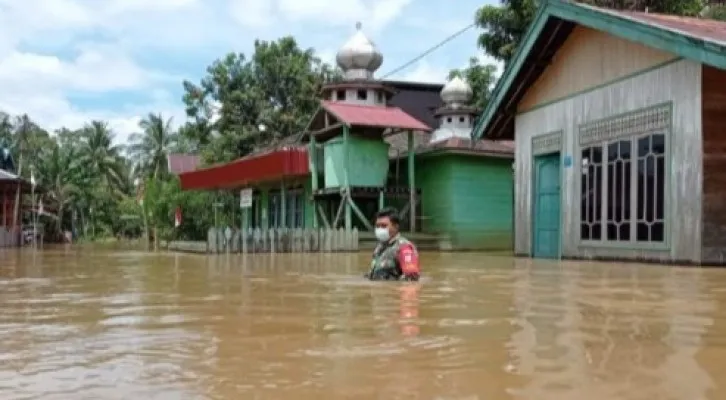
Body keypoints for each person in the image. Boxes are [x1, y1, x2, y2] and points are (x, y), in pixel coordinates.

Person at [365, 207, 421, 281]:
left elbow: (411, 278)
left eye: (384, 226)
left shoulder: (404, 247)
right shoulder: (379, 248)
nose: (380, 229)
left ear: (395, 227)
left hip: (391, 292)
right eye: (377, 226)